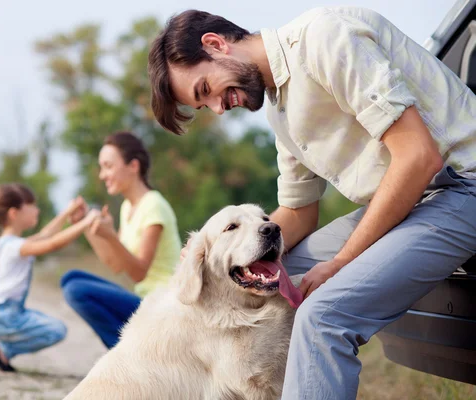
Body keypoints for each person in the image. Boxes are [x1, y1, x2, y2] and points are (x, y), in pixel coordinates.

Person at [148, 7, 476, 399]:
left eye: (206, 90)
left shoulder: (323, 38)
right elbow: (299, 212)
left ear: (216, 44)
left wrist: (340, 263)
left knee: (323, 316)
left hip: (464, 186)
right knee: (240, 279)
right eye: (206, 107)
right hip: (420, 201)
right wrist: (218, 248)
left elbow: (419, 157)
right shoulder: (279, 111)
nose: (219, 108)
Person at [61, 131, 181, 349]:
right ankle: (133, 354)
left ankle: (127, 358)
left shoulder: (154, 206)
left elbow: (138, 272)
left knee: (76, 290)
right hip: (145, 301)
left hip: (163, 308)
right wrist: (88, 225)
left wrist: (111, 236)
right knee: (70, 278)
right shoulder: (128, 208)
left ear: (133, 166)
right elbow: (116, 265)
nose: (102, 175)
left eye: (108, 166)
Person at [0, 182, 98, 372]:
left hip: (0, 313)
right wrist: (85, 223)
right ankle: (5, 349)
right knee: (57, 330)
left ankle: (3, 348)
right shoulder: (15, 247)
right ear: (14, 213)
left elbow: (46, 234)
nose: (37, 210)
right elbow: (52, 244)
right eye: (32, 206)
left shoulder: (9, 243)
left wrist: (68, 211)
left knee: (52, 326)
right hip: (3, 315)